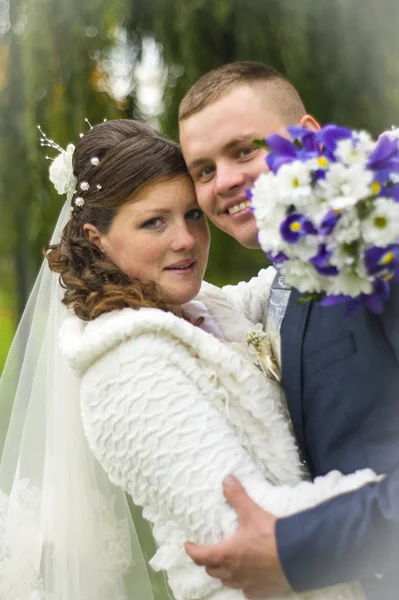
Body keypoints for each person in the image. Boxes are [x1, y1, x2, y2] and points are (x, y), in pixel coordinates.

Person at [0, 118, 378, 600]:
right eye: (153, 222)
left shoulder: (198, 309)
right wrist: (386, 504)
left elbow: (277, 284)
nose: (184, 240)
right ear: (97, 239)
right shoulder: (125, 370)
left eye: (192, 215)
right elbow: (249, 524)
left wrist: (362, 197)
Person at [179, 61, 399, 599]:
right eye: (203, 170)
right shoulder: (284, 280)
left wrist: (297, 549)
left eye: (244, 150)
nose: (225, 181)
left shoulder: (381, 241)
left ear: (309, 139)